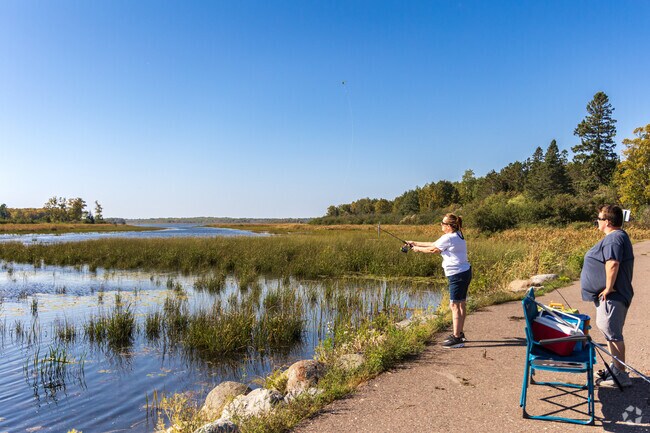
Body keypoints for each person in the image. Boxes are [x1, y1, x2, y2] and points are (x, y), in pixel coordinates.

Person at [580, 205, 634, 387]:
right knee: (610, 333)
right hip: (612, 297)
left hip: (613, 297)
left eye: (599, 218)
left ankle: (620, 375)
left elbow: (612, 264)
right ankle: (615, 368)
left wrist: (609, 288)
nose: (597, 221)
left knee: (613, 334)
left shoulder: (614, 238)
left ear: (608, 222)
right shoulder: (617, 237)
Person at [407, 213, 472, 348]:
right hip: (464, 272)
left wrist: (417, 249)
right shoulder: (458, 235)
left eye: (442, 223)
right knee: (461, 304)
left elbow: (433, 249)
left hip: (457, 274)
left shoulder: (449, 237)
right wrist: (415, 242)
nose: (441, 225)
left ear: (448, 226)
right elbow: (434, 244)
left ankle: (456, 338)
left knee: (454, 305)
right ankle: (459, 333)